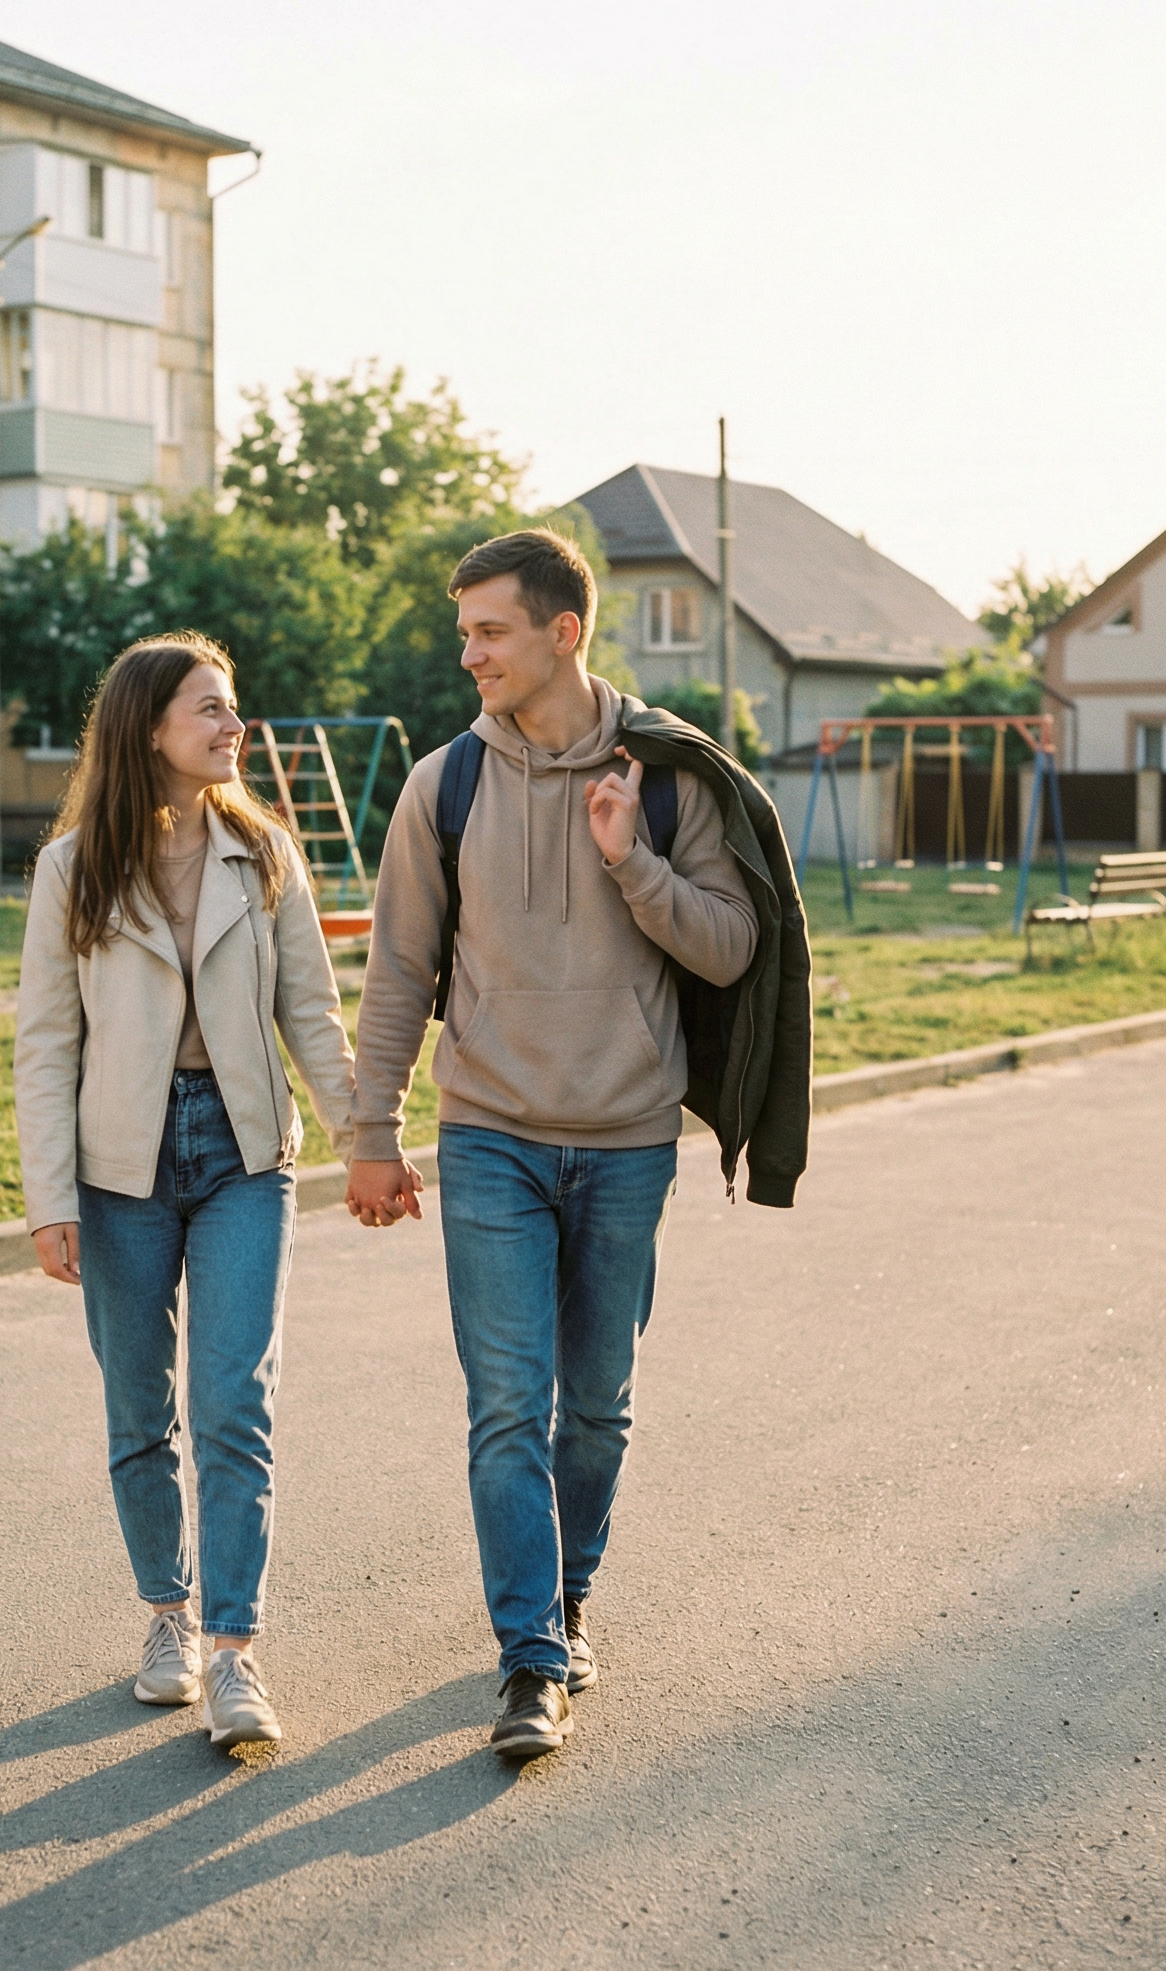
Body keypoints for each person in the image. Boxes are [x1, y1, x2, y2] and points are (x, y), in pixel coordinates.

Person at [345, 530, 761, 1763]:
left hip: (627, 1141)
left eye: (489, 630)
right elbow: (398, 970)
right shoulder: (442, 786)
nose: (467, 653)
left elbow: (729, 948)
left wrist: (630, 859)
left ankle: (569, 1597)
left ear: (561, 631)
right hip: (490, 1137)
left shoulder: (671, 776)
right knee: (506, 1407)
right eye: (464, 631)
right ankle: (529, 1656)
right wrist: (372, 1129)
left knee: (596, 1409)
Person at [16, 632, 356, 1748]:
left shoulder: (262, 852)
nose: (232, 725)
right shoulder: (73, 869)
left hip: (243, 1155)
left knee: (232, 1405)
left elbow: (311, 1012)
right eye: (209, 708)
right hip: (119, 1166)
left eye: (232, 705)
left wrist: (368, 1138)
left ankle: (235, 1650)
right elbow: (45, 1045)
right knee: (137, 1408)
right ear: (148, 727)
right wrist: (49, 1198)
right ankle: (167, 1618)